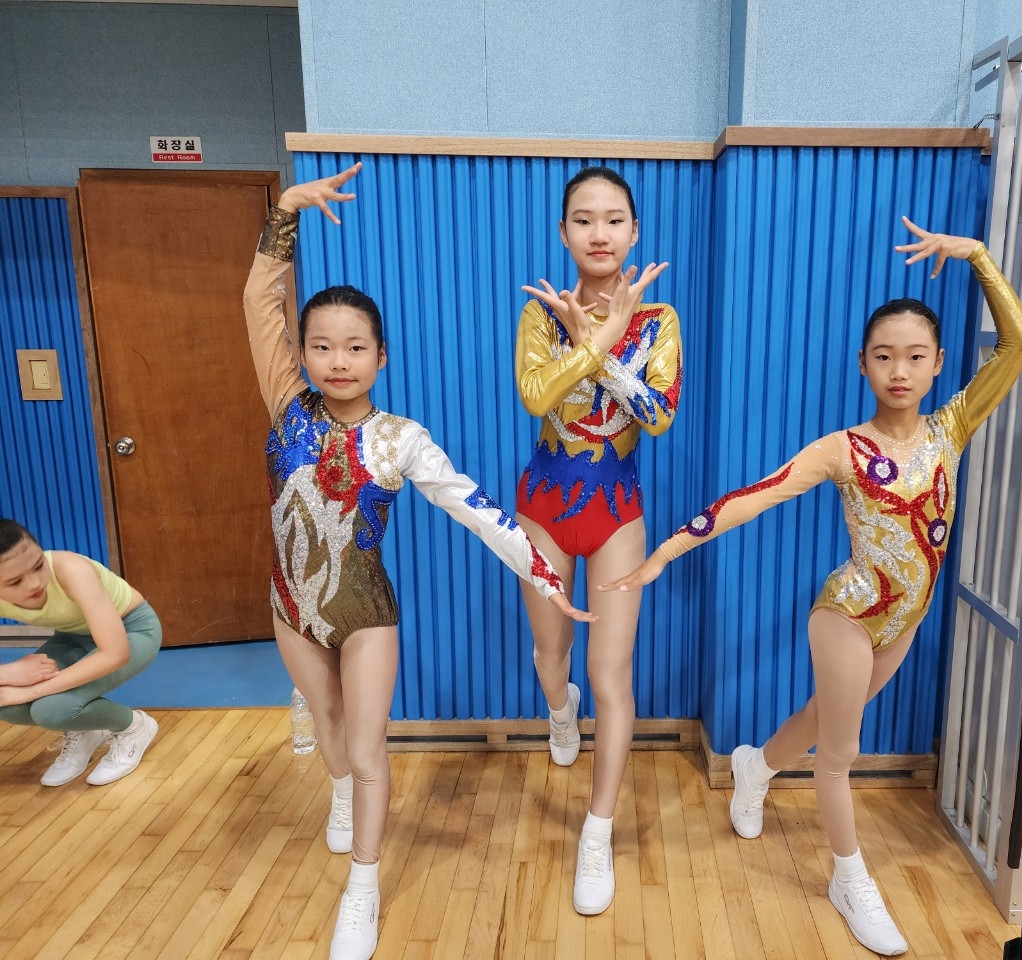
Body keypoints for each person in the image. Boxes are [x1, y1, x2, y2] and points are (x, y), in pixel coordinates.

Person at [601, 217, 1022, 955]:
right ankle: (848, 878)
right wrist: (664, 554)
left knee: (821, 718)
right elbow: (754, 496)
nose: (900, 371)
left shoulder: (952, 429)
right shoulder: (843, 449)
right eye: (884, 356)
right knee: (840, 753)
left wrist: (978, 257)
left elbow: (1018, 342)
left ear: (938, 365)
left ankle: (755, 766)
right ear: (863, 365)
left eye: (916, 357)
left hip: (906, 619)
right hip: (849, 613)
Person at [244, 162, 590, 960]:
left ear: (381, 357)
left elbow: (475, 508)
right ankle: (338, 788)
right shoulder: (287, 407)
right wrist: (285, 214)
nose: (337, 361)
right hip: (290, 609)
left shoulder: (400, 439)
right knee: (330, 728)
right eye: (321, 346)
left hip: (366, 615)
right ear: (302, 354)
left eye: (354, 347)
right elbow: (259, 304)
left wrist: (542, 575)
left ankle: (362, 889)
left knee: (368, 749)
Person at [514, 165, 680, 915]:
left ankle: (597, 830)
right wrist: (594, 336)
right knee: (552, 660)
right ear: (564, 233)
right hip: (545, 507)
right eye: (584, 219)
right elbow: (536, 397)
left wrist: (607, 343)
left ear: (634, 232)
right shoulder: (540, 314)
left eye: (614, 219)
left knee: (611, 677)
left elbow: (657, 417)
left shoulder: (661, 319)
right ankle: (559, 709)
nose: (600, 233)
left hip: (617, 510)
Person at [0, 519, 160, 787]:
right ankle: (86, 730)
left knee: (52, 710)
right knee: (5, 701)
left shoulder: (72, 570)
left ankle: (134, 727)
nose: (35, 583)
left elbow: (115, 653)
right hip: (73, 639)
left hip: (131, 630)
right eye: (15, 581)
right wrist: (10, 672)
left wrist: (31, 690)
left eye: (38, 565)